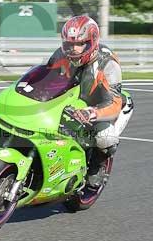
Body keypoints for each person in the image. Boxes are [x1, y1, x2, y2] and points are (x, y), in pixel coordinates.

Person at [46, 15, 134, 187]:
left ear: (92, 41)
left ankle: (98, 166)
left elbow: (114, 104)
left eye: (80, 44)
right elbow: (46, 80)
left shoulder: (107, 63)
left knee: (104, 137)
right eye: (69, 44)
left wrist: (92, 112)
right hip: (74, 101)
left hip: (104, 105)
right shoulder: (59, 55)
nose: (74, 49)